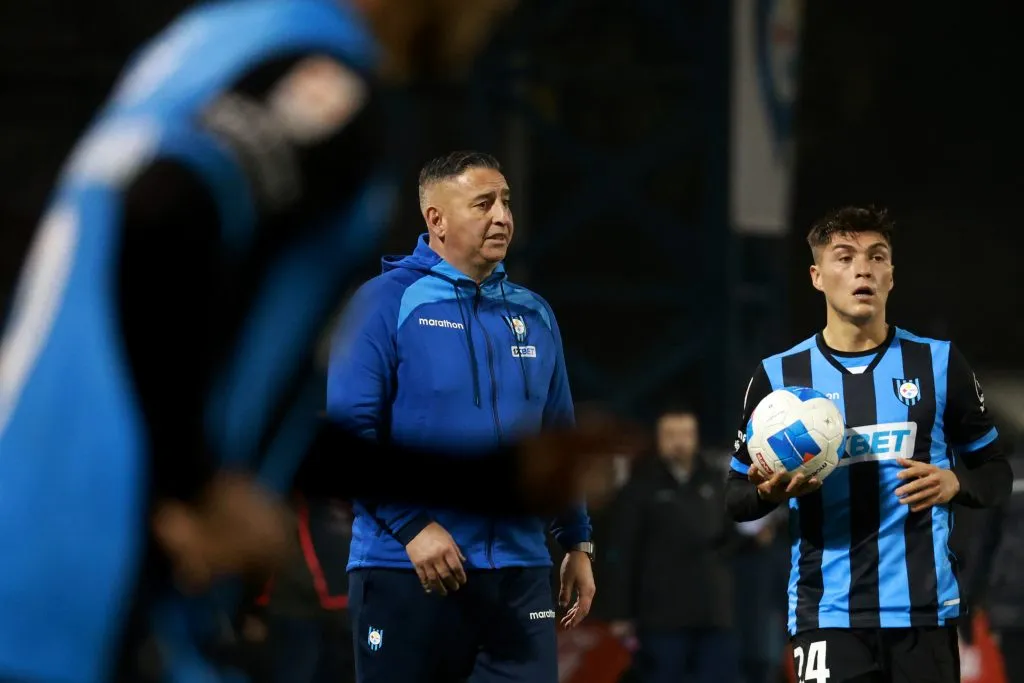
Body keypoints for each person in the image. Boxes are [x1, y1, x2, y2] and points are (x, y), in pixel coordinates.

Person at [0, 3, 634, 682]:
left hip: (47, 547)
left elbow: (259, 425)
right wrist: (193, 484)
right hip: (90, 582)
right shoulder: (325, 80)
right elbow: (158, 214)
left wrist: (491, 482)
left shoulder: (213, 43)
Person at [328, 150, 595, 683]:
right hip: (410, 568)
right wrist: (412, 528)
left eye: (506, 202)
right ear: (436, 219)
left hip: (519, 575)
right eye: (484, 203)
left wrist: (576, 541)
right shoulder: (384, 304)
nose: (502, 216)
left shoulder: (534, 313)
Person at [724, 206, 1013, 683]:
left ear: (892, 276)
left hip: (924, 614)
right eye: (845, 257)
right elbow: (735, 497)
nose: (863, 268)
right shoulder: (779, 379)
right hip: (826, 615)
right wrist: (767, 495)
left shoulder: (937, 363)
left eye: (877, 257)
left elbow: (997, 474)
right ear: (817, 277)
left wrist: (954, 481)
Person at [603, 407, 740, 683]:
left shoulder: (715, 480)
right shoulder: (640, 486)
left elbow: (730, 536)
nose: (679, 441)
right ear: (659, 438)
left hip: (712, 610)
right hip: (661, 616)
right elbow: (623, 552)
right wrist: (621, 613)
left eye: (685, 434)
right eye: (671, 434)